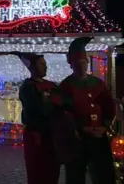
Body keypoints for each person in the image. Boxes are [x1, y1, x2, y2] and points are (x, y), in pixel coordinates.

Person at [60, 37, 116, 184]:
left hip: (99, 138)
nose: (81, 66)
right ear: (71, 65)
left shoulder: (98, 84)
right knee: (75, 176)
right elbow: (63, 114)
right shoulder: (65, 86)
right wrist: (79, 129)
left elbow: (109, 107)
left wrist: (104, 126)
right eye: (78, 63)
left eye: (84, 62)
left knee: (104, 174)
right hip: (77, 141)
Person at [14, 52, 61, 184]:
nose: (45, 67)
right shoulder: (28, 87)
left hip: (52, 135)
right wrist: (52, 103)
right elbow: (39, 108)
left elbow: (62, 103)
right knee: (37, 171)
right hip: (36, 135)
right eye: (41, 64)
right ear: (32, 67)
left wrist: (50, 102)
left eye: (45, 64)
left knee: (52, 172)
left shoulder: (52, 85)